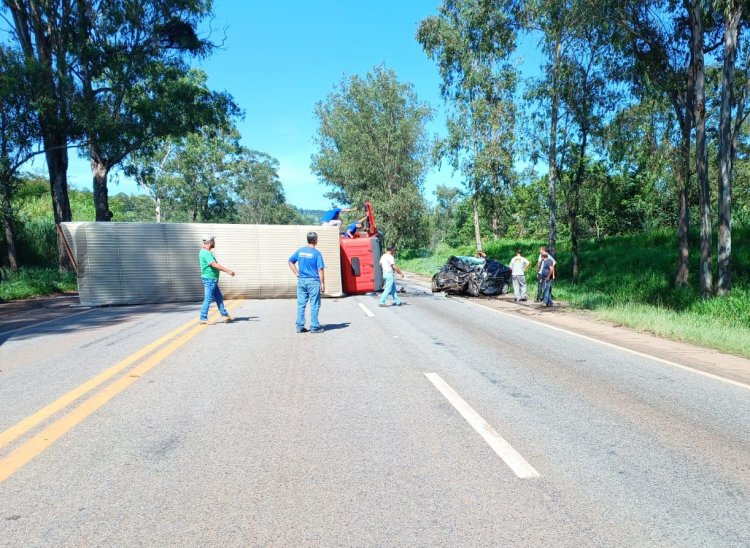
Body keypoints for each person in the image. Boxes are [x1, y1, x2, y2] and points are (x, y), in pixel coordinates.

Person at [288, 231, 326, 333]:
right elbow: (320, 269)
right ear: (316, 240)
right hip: (313, 281)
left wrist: (296, 273)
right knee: (314, 304)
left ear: (308, 239)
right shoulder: (317, 254)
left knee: (301, 304)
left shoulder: (300, 251)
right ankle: (314, 326)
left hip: (301, 281)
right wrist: (322, 284)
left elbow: (290, 261)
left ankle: (300, 326)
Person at [199, 234, 235, 324]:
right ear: (210, 242)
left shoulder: (205, 252)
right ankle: (203, 318)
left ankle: (225, 315)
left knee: (219, 297)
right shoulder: (206, 253)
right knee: (208, 298)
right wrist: (228, 271)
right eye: (213, 241)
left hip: (212, 280)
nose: (215, 243)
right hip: (210, 279)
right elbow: (214, 264)